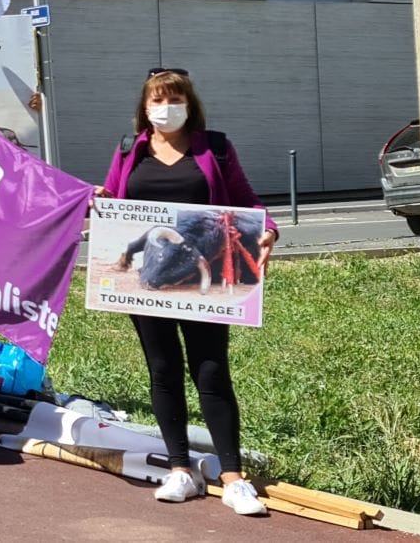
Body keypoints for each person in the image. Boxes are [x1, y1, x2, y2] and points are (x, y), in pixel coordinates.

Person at [96, 69, 278, 516]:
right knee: (163, 370)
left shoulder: (215, 148)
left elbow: (247, 200)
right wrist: (100, 199)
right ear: (144, 108)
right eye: (157, 100)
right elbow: (114, 201)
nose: (166, 108)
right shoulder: (130, 150)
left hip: (204, 280)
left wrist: (269, 229)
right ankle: (180, 469)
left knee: (211, 371)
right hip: (151, 281)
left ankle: (232, 477)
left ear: (189, 105)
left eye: (174, 99)